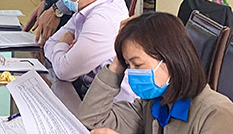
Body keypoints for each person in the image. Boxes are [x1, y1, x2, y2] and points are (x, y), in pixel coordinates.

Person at [78, 12, 233, 134]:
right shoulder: (153, 104)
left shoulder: (216, 114)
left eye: (137, 65)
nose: (131, 73)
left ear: (170, 59)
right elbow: (90, 120)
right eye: (128, 65)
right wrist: (118, 63)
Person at [44, 0, 129, 89]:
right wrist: (64, 52)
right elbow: (49, 44)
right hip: (88, 89)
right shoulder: (88, 7)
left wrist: (63, 43)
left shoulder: (102, 20)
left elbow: (64, 72)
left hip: (108, 99)